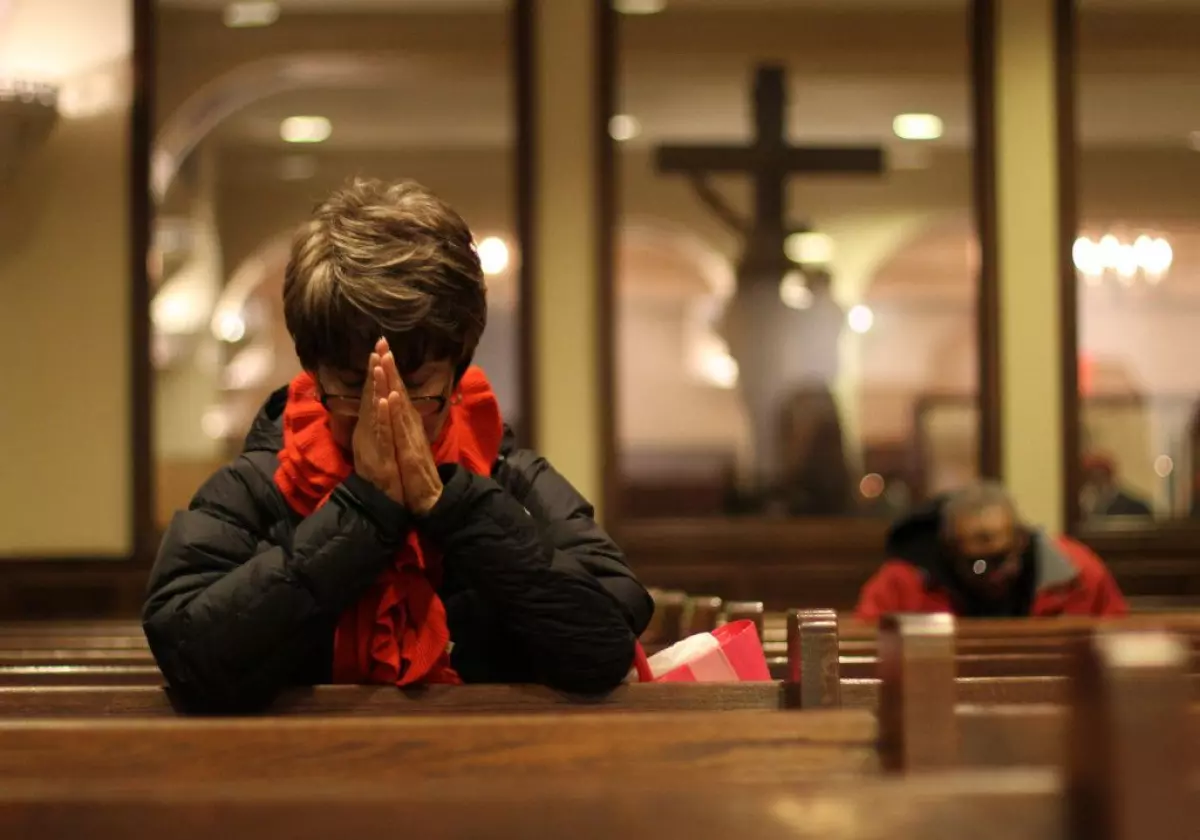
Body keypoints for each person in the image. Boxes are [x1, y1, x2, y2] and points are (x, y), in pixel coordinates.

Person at [143, 178, 653, 712]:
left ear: (457, 372)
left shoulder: (511, 479)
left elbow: (604, 647)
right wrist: (364, 512)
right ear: (312, 370)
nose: (383, 414)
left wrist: (455, 508)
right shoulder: (252, 488)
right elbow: (191, 658)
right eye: (351, 385)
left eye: (413, 387)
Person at [855, 481, 1127, 620]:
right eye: (977, 564)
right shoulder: (902, 583)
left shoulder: (1077, 574)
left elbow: (1120, 641)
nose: (992, 576)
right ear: (949, 551)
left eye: (1001, 560)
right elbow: (864, 645)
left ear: (1021, 541)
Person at [1080, 452, 1153, 519]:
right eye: (1091, 479)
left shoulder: (1135, 508)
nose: (1095, 485)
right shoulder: (1083, 507)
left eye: (1098, 477)